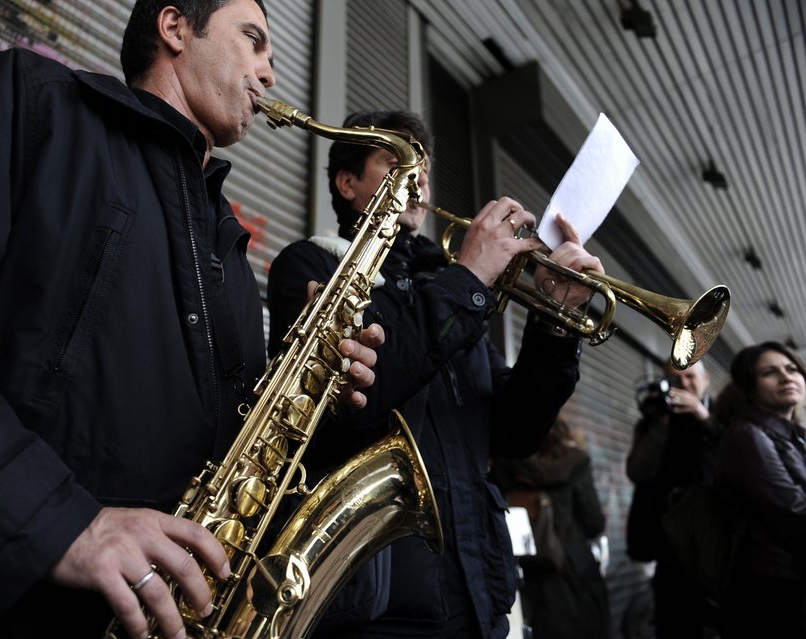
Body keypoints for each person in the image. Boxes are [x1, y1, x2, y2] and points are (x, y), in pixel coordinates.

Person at [0, 2, 385, 638]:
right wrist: (55, 522)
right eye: (255, 41)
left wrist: (317, 399)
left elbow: (235, 463)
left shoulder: (230, 251)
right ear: (176, 27)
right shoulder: (32, 104)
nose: (269, 74)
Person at [265, 110, 604, 639]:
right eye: (396, 160)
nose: (418, 177)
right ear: (348, 182)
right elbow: (356, 402)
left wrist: (552, 324)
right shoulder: (310, 268)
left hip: (480, 592)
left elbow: (513, 433)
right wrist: (468, 279)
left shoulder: (454, 285)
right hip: (377, 603)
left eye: (423, 166)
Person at [713, 341, 806, 638]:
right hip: (771, 592)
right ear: (750, 387)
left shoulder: (795, 436)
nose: (786, 377)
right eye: (770, 372)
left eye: (792, 369)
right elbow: (794, 514)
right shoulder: (747, 436)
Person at [492, 418, 610, 639]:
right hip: (576, 572)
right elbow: (594, 523)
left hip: (530, 572)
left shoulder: (508, 463)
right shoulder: (576, 462)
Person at [625, 359, 717, 637]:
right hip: (669, 541)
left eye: (690, 377)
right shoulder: (654, 420)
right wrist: (661, 424)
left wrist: (703, 417)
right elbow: (637, 472)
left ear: (706, 379)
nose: (684, 385)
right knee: (673, 621)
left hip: (713, 538)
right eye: (676, 379)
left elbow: (729, 464)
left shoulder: (722, 416)